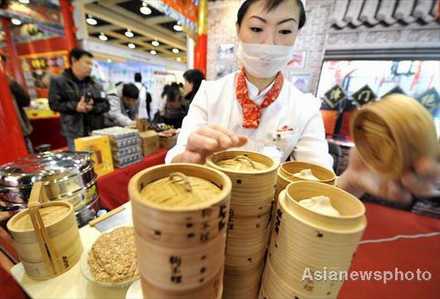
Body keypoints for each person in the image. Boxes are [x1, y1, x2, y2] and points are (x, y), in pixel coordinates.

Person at [166, 0, 439, 203]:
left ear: (297, 36)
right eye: (257, 28)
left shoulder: (304, 106)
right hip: (206, 207)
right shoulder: (210, 92)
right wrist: (188, 158)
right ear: (238, 29)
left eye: (284, 32)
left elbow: (319, 185)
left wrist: (353, 180)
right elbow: (175, 160)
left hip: (271, 218)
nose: (268, 43)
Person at [49, 48, 110, 151]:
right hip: (74, 132)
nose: (90, 67)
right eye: (87, 63)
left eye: (91, 64)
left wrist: (92, 108)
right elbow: (54, 104)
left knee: (99, 161)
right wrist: (75, 106)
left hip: (96, 131)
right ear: (74, 61)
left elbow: (106, 105)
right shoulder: (59, 81)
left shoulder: (95, 84)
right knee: (80, 163)